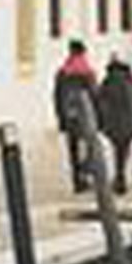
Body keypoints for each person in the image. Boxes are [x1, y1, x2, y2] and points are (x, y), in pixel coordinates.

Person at [51, 40, 99, 192]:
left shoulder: (63, 72)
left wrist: (60, 118)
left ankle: (77, 179)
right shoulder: (87, 72)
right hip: (86, 117)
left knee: (73, 149)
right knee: (88, 148)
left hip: (69, 117)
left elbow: (57, 96)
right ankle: (86, 175)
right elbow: (94, 95)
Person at [96, 56, 132, 194]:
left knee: (117, 152)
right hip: (128, 125)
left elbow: (100, 102)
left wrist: (102, 123)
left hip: (113, 125)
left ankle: (119, 178)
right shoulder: (130, 82)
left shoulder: (107, 82)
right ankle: (121, 177)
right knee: (123, 153)